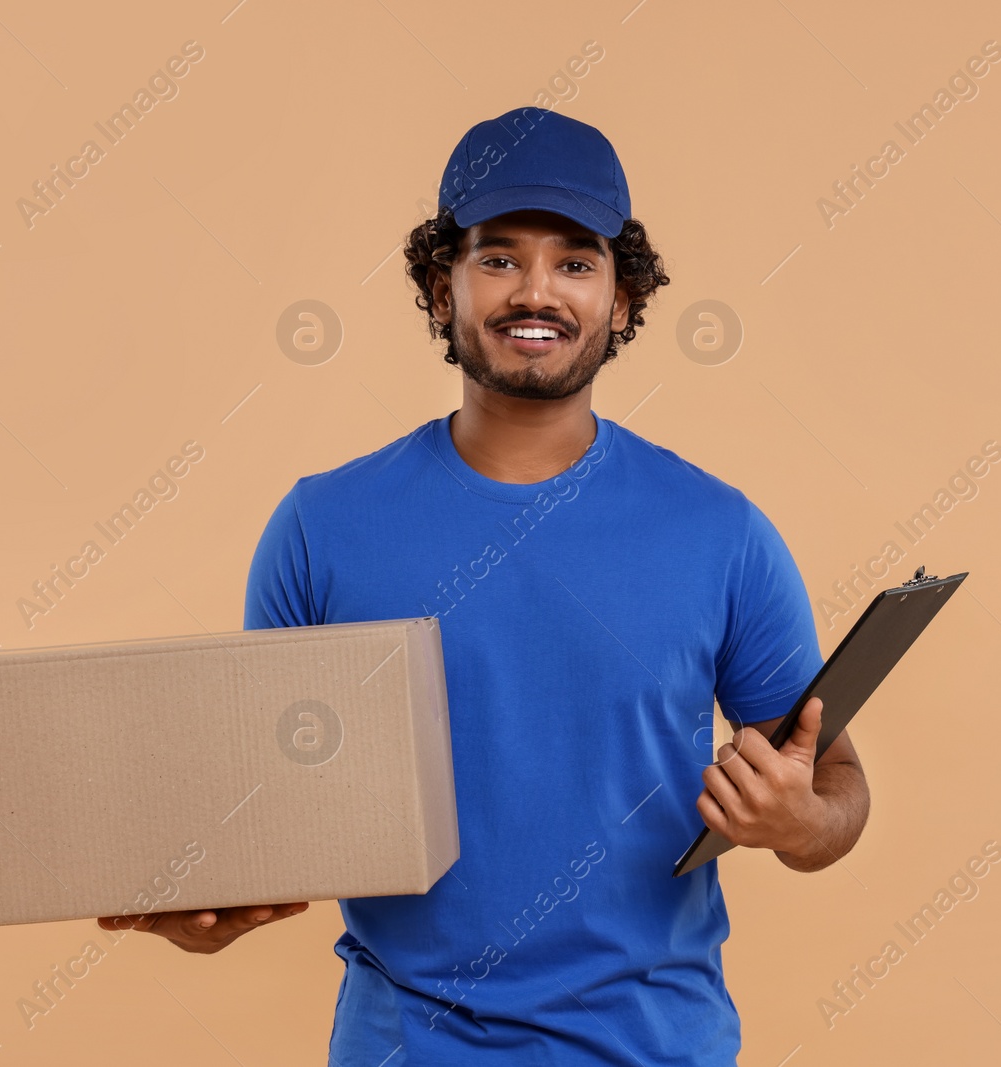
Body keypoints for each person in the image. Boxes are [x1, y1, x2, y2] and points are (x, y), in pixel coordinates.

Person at [101, 107, 870, 1065]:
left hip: (654, 1047)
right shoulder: (322, 527)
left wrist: (799, 823)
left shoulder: (721, 532)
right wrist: (206, 898)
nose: (535, 291)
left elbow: (834, 782)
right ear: (441, 287)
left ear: (622, 298)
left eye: (576, 263)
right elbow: (273, 804)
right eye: (497, 258)